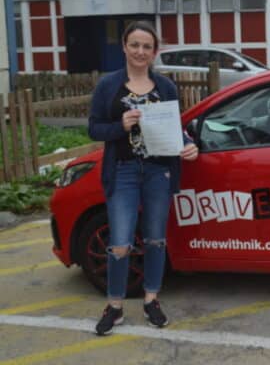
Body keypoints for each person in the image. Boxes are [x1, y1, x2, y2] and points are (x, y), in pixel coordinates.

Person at [88, 20, 199, 336]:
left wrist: (188, 145)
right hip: (122, 171)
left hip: (157, 171)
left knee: (155, 239)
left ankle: (151, 299)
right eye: (134, 45)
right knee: (120, 243)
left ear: (155, 52)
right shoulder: (109, 86)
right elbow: (94, 128)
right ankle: (115, 305)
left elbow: (175, 129)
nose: (140, 51)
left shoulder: (165, 87)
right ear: (124, 46)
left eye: (146, 46)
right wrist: (118, 126)